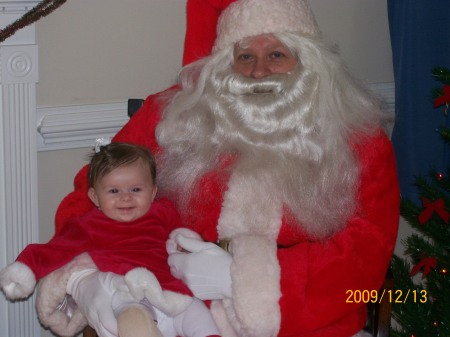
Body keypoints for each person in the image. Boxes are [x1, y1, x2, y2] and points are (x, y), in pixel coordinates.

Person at [31, 0, 400, 336]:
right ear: (224, 64)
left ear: (308, 61)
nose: (258, 72)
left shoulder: (358, 137)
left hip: (307, 323)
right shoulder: (171, 117)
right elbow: (90, 194)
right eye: (244, 58)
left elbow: (367, 254)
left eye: (276, 55)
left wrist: (241, 279)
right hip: (174, 308)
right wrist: (85, 277)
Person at [0, 142, 221, 337]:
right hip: (125, 289)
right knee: (131, 316)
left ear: (153, 192)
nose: (126, 197)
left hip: (168, 288)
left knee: (197, 312)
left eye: (136, 189)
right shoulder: (89, 224)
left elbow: (181, 238)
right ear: (95, 197)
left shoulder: (163, 212)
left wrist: (188, 245)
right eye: (114, 191)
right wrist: (25, 269)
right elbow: (54, 250)